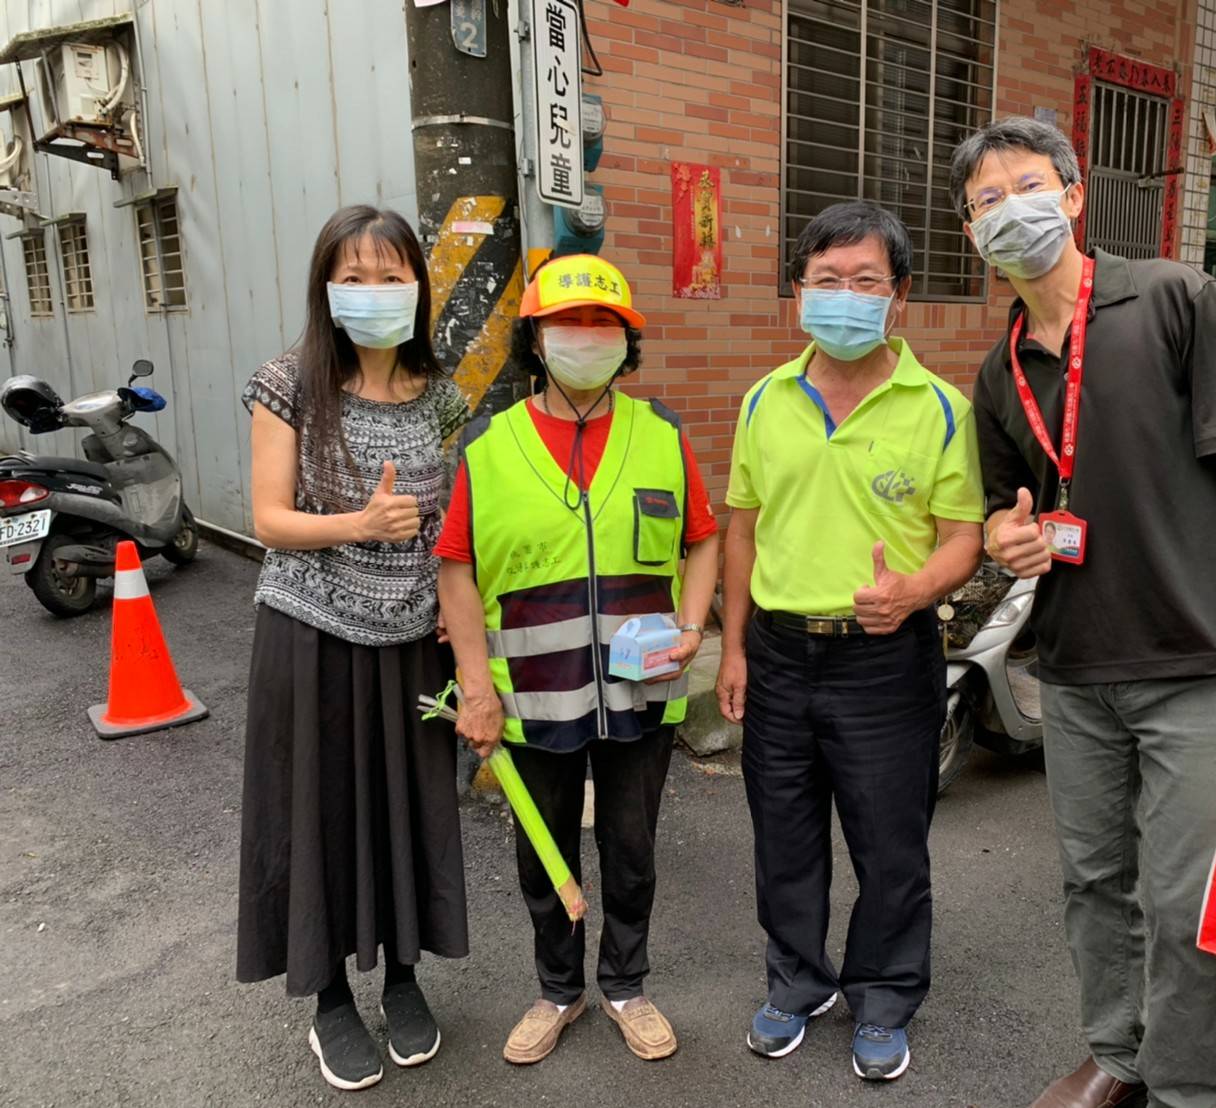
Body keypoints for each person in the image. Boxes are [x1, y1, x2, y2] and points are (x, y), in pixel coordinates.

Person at [953, 117, 1216, 1108]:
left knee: (1184, 897)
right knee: (1093, 881)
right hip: (1073, 670)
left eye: (1027, 186)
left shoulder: (1172, 299)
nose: (1009, 210)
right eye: (986, 201)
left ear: (1073, 196)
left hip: (1194, 659)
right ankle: (1116, 1054)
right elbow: (999, 512)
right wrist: (1006, 538)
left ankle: (1184, 1086)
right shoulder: (997, 372)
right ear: (970, 230)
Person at [716, 201, 984, 1081]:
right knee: (783, 836)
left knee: (890, 843)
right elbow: (743, 528)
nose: (844, 296)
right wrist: (734, 648)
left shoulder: (941, 409)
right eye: (826, 280)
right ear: (798, 290)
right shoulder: (765, 400)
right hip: (781, 654)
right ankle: (797, 983)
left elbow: (964, 537)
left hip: (886, 658)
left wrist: (914, 590)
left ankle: (884, 994)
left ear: (899, 296)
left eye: (865, 281)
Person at [436, 253, 719, 1066]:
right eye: (568, 322)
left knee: (631, 851)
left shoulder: (662, 434)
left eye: (604, 323)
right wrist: (476, 687)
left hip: (642, 689)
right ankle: (558, 991)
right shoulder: (488, 446)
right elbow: (456, 569)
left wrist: (693, 627)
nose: (586, 336)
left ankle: (625, 984)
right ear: (536, 338)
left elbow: (703, 540)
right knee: (543, 854)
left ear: (627, 341)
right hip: (534, 695)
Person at [236, 205, 471, 1092]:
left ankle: (403, 978)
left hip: (411, 640)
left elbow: (447, 521)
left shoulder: (441, 394)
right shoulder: (288, 382)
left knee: (408, 806)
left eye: (392, 276)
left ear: (418, 285)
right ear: (326, 288)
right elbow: (268, 519)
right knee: (320, 812)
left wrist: (453, 609)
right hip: (311, 635)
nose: (374, 292)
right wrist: (359, 524)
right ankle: (330, 996)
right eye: (354, 277)